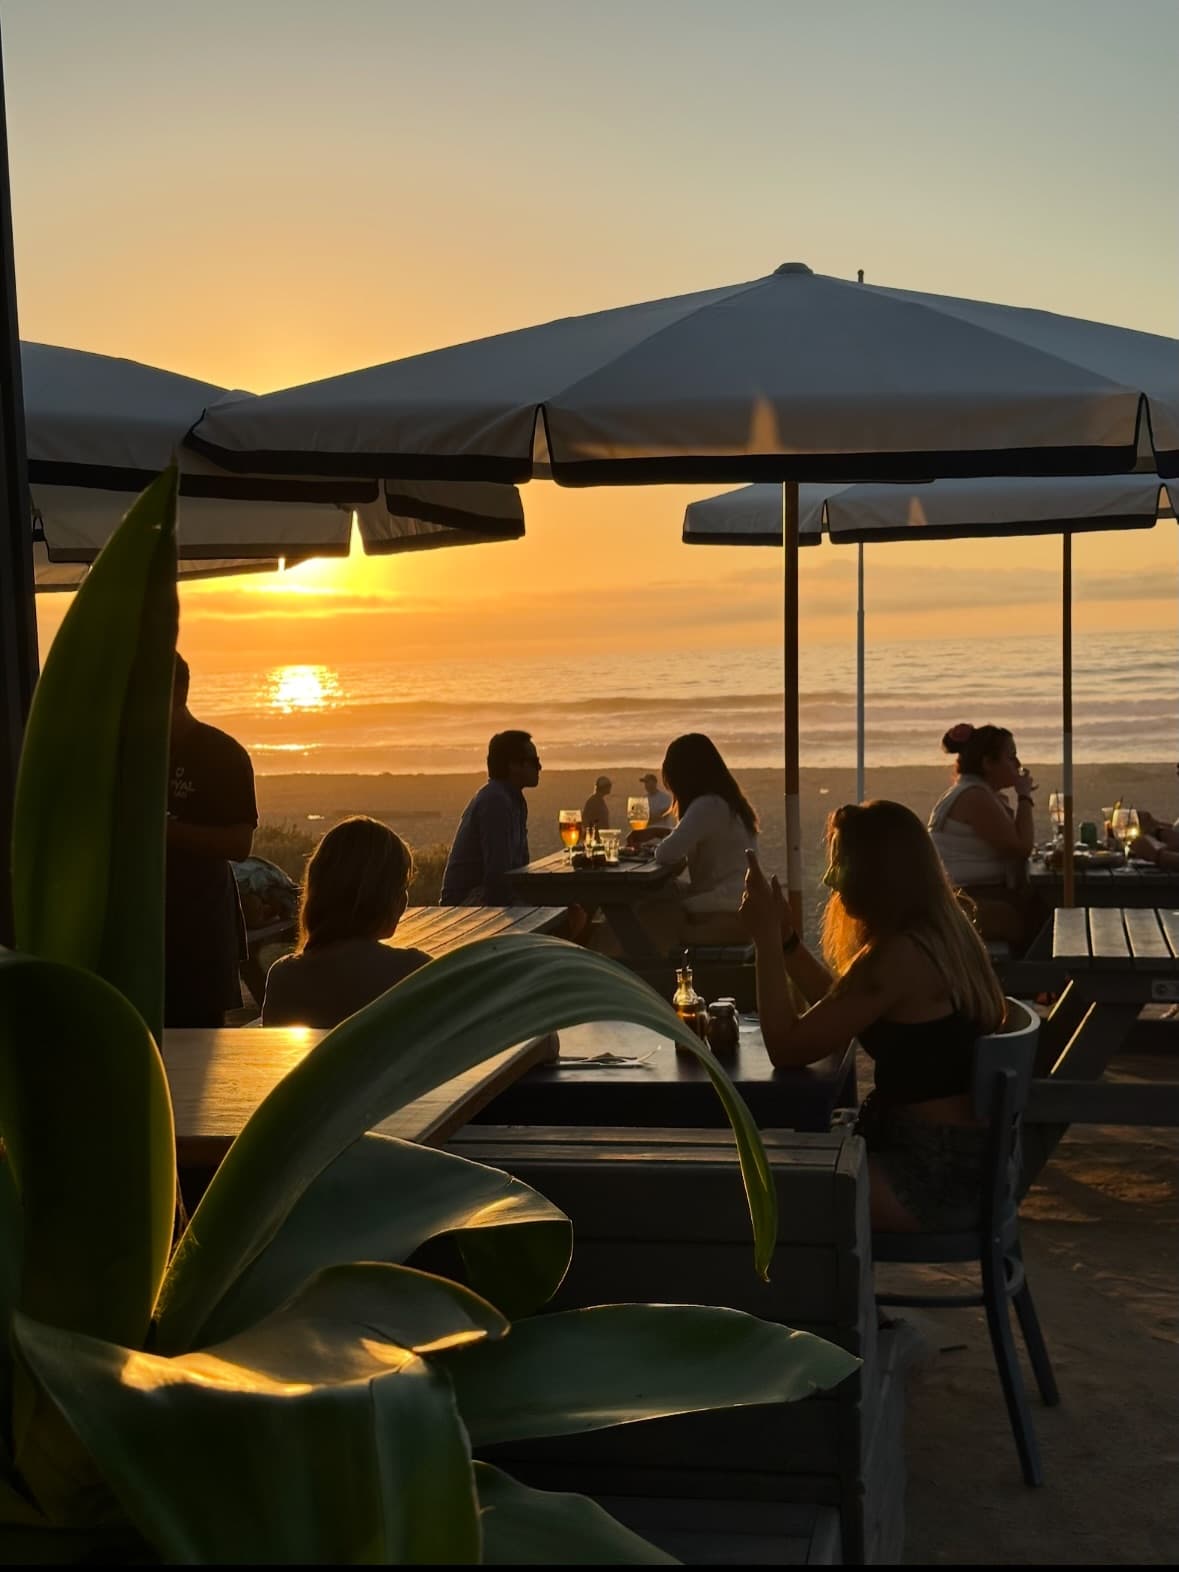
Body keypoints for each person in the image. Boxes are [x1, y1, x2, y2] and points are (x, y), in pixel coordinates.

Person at [741, 802, 1007, 1232]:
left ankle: (829, 1300)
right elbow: (845, 1009)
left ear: (876, 875)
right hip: (966, 1162)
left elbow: (788, 1048)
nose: (830, 880)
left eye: (840, 865)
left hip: (928, 1179)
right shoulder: (940, 934)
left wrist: (766, 943)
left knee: (756, 1190)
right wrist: (789, 942)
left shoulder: (898, 956)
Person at [263, 817, 430, 1028]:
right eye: (401, 887)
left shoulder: (284, 976)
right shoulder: (416, 971)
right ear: (381, 895)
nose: (405, 898)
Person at [165, 654, 258, 1027]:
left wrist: (163, 831)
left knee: (198, 1044)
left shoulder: (221, 754)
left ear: (178, 691)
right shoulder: (126, 749)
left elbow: (238, 844)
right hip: (141, 928)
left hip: (198, 926)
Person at [927, 722, 1045, 954]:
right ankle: (1036, 982)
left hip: (970, 894)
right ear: (988, 763)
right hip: (964, 901)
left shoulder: (980, 793)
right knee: (1045, 915)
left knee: (1043, 904)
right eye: (1011, 757)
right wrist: (1024, 797)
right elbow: (1021, 848)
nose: (1018, 764)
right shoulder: (974, 797)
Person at [634, 733, 758, 948]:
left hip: (724, 903)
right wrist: (658, 832)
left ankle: (648, 968)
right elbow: (693, 837)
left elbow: (665, 854)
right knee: (660, 895)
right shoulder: (727, 802)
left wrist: (661, 840)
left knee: (649, 909)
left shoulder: (707, 805)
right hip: (737, 896)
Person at [440, 730, 541, 904]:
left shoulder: (514, 801)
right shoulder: (496, 802)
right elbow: (497, 874)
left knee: (569, 908)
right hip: (466, 902)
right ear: (513, 765)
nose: (539, 767)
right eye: (534, 761)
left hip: (490, 892)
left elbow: (520, 868)